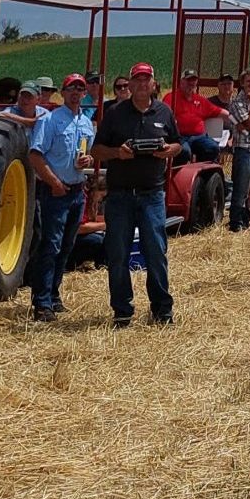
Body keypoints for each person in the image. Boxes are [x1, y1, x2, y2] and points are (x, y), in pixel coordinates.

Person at [90, 61, 182, 327]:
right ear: (129, 85)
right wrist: (117, 153)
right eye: (137, 80)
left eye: (147, 80)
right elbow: (97, 150)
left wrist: (167, 150)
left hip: (152, 194)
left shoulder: (164, 112)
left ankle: (162, 310)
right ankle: (122, 311)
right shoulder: (116, 114)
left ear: (153, 84)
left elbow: (178, 143)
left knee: (155, 252)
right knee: (117, 254)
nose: (142, 84)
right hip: (120, 195)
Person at [25, 73, 94, 321]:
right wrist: (54, 182)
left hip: (77, 191)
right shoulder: (51, 120)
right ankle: (41, 302)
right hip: (56, 191)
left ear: (85, 94)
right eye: (70, 89)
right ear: (62, 94)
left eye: (80, 89)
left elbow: (87, 153)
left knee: (65, 247)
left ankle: (53, 296)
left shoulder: (86, 123)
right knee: (51, 245)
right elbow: (35, 155)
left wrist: (89, 161)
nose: (75, 93)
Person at [212, 68, 250, 232]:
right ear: (242, 83)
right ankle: (235, 222)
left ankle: (246, 219)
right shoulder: (237, 103)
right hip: (243, 149)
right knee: (240, 187)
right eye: (248, 81)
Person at [164, 69, 222, 163]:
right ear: (181, 81)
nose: (191, 83)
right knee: (184, 151)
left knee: (213, 148)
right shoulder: (171, 97)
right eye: (188, 80)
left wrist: (236, 120)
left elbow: (220, 112)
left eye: (193, 80)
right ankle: (178, 175)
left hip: (199, 137)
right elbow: (165, 115)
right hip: (180, 137)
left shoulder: (201, 100)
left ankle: (203, 174)